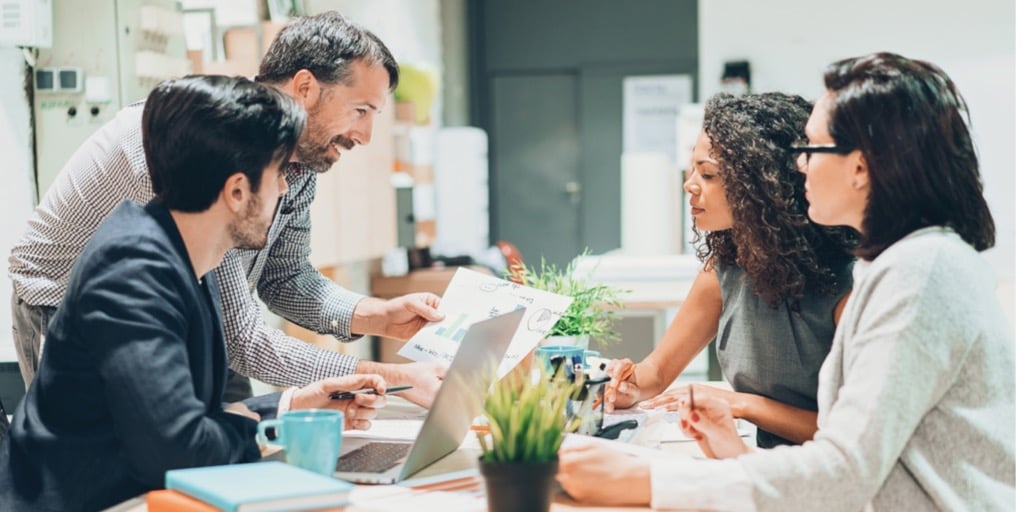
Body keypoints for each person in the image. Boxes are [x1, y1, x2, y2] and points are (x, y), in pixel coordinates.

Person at [558, 52, 1014, 510]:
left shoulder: (921, 273)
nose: (798, 167)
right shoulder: (901, 266)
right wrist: (732, 451)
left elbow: (843, 471)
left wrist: (648, 480)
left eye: (811, 150)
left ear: (859, 168)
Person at [8, 11, 444, 407]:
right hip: (71, 312)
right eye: (360, 110)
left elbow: (285, 275)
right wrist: (392, 378)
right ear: (306, 88)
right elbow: (241, 337)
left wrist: (377, 316)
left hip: (195, 315)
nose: (366, 135)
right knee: (116, 477)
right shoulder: (211, 148)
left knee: (231, 444)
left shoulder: (294, 158)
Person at [0, 76, 393, 512]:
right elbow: (178, 450)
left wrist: (290, 406)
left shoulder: (185, 255)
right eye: (278, 173)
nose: (285, 188)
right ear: (238, 192)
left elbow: (178, 422)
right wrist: (256, 430)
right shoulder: (132, 272)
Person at [603, 92, 858, 448]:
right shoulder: (727, 268)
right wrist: (627, 384)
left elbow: (854, 433)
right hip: (763, 468)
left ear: (761, 186)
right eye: (692, 170)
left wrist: (738, 403)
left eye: (707, 174)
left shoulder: (849, 283)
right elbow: (657, 370)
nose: (689, 184)